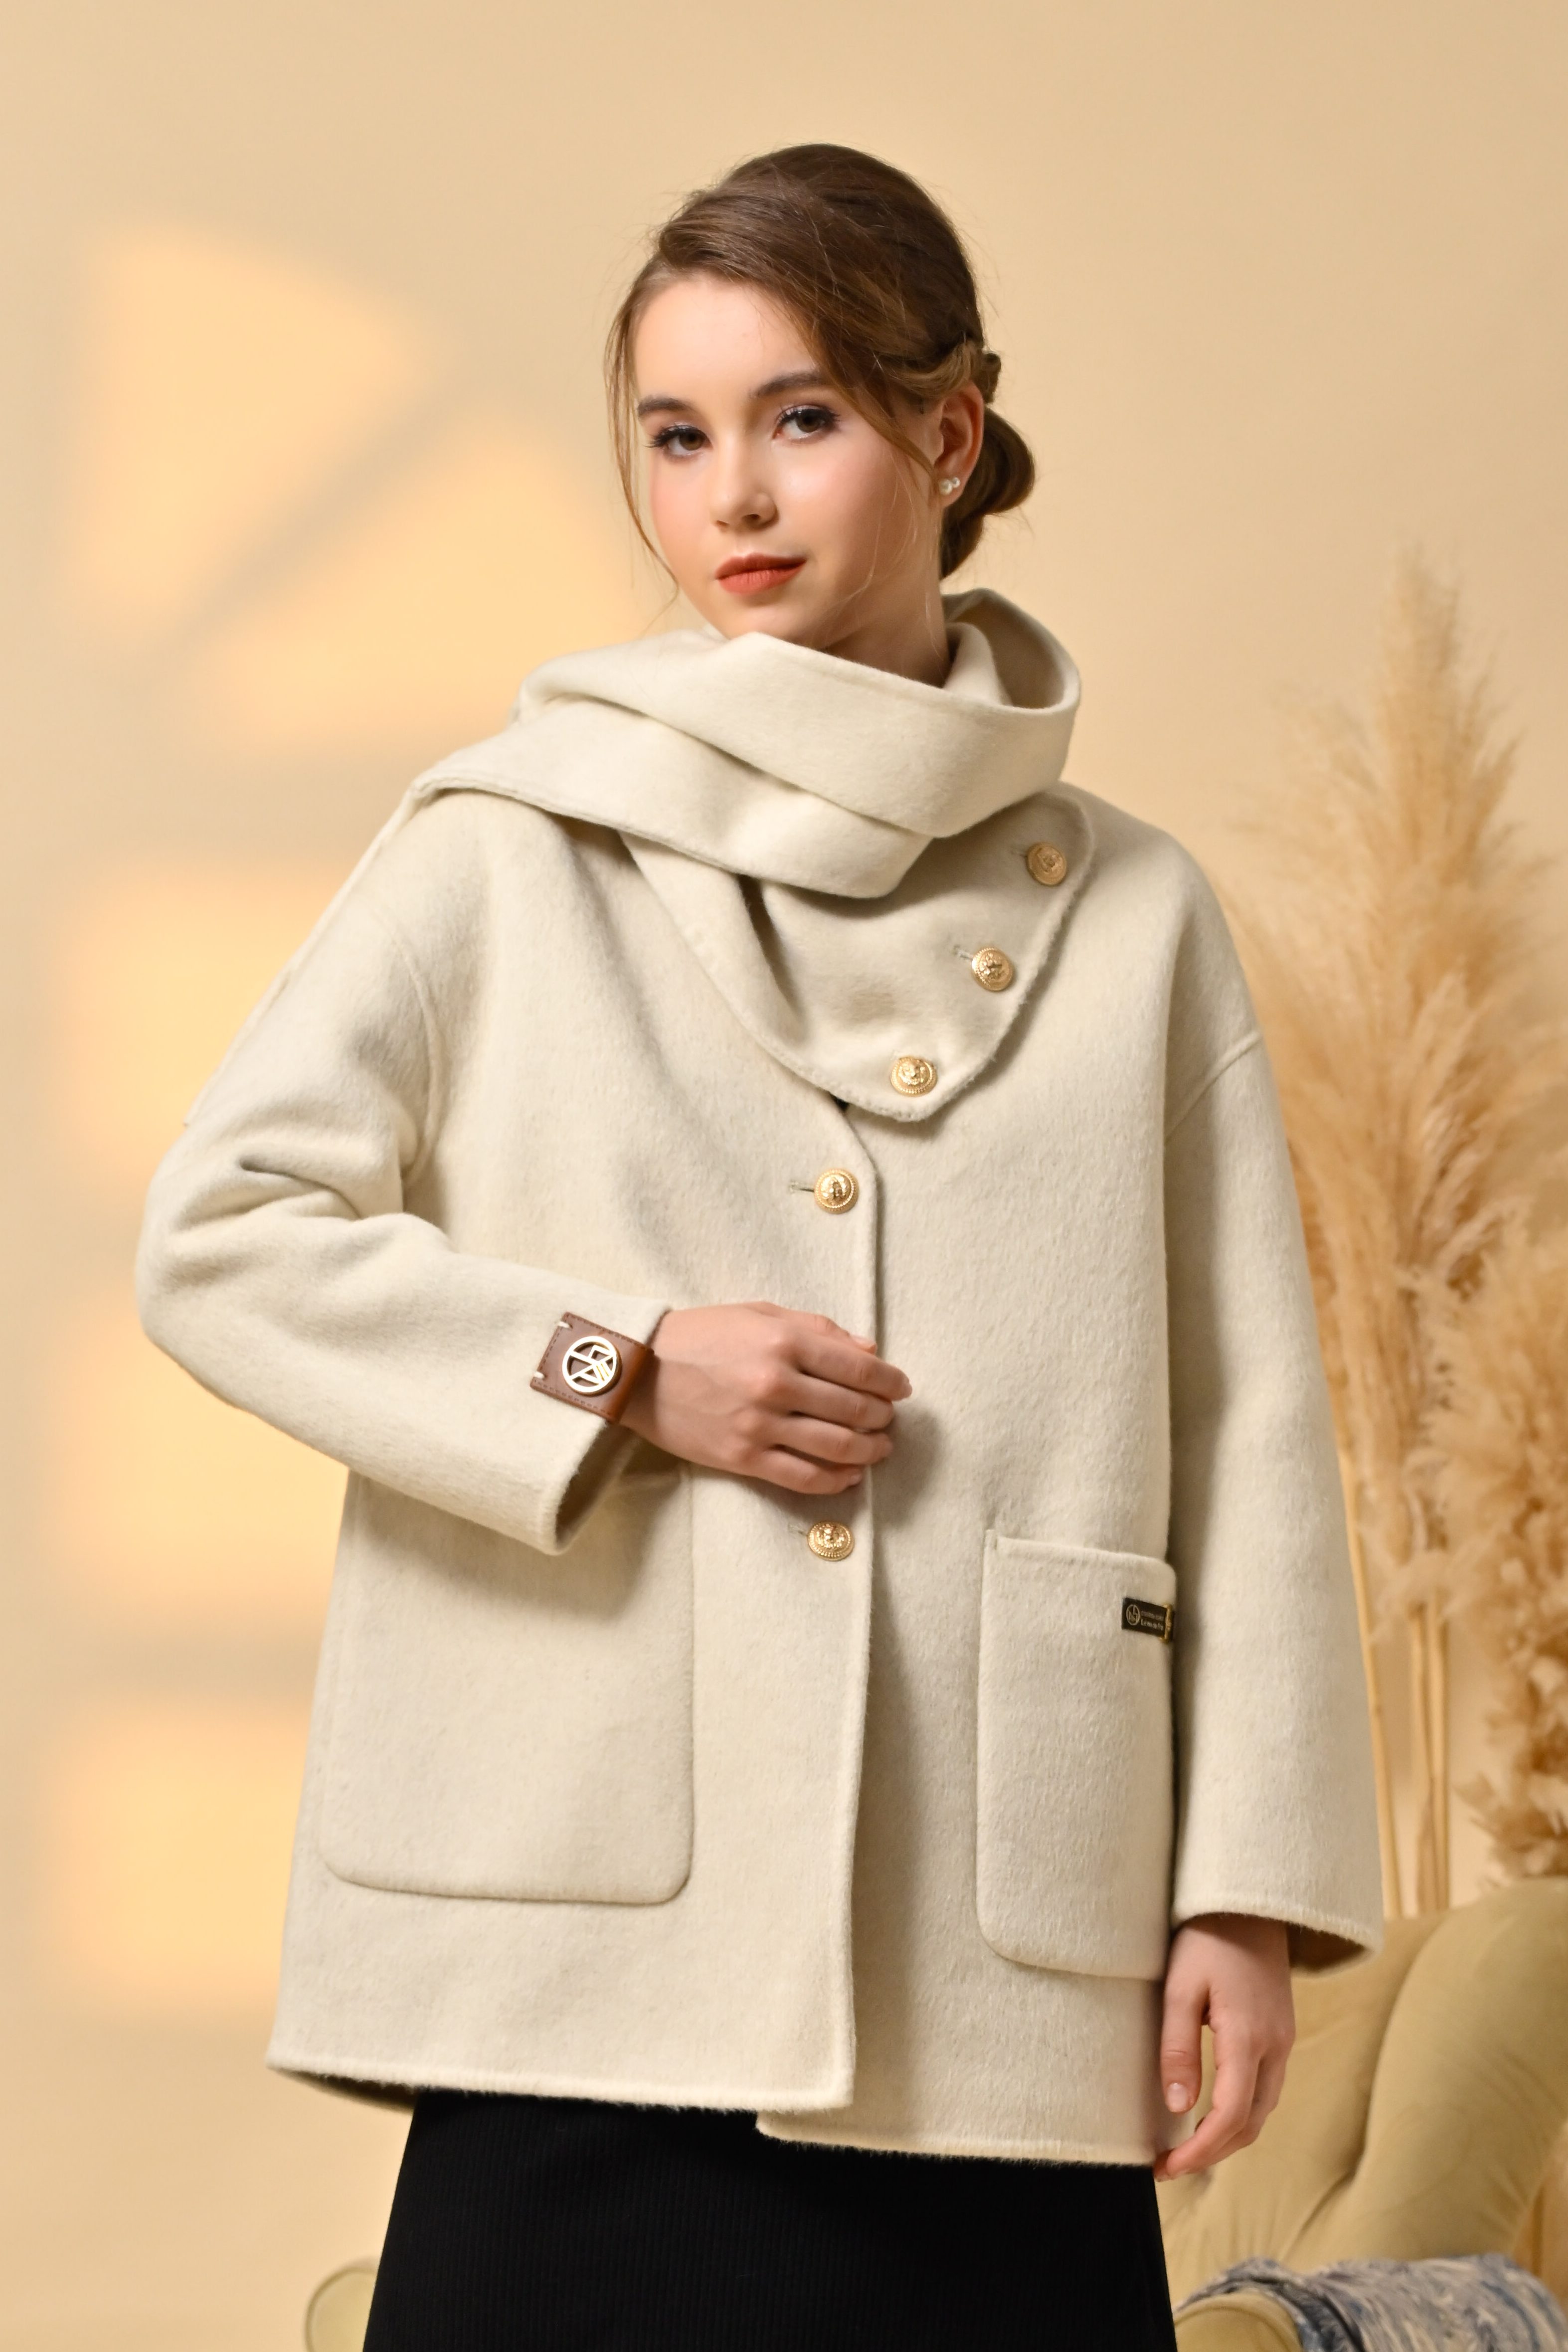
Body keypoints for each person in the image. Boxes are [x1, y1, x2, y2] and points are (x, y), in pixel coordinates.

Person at [136, 144, 1383, 2351]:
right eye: (674, 434)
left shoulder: (1136, 913)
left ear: (948, 430)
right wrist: (616, 1369)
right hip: (580, 1943)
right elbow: (220, 1235)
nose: (733, 496)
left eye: (799, 418)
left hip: (1002, 1952)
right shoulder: (502, 851)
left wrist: (1246, 1893)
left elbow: (1252, 1425)